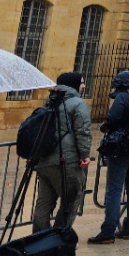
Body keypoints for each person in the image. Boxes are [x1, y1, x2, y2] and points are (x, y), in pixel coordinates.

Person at [89, 71, 129, 244]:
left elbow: (113, 119)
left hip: (122, 147)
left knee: (114, 188)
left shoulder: (123, 97)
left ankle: (108, 231)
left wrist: (104, 128)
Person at [31, 72, 91, 233]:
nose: (84, 86)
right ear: (73, 84)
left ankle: (39, 238)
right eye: (81, 82)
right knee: (71, 199)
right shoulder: (78, 103)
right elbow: (83, 132)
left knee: (44, 202)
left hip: (44, 160)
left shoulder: (49, 101)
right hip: (66, 160)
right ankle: (58, 237)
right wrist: (84, 155)